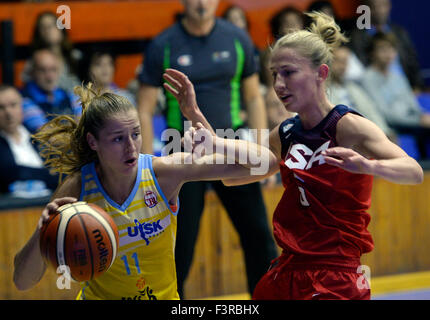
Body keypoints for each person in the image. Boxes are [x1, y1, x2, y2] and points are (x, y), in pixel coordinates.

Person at [164, 12, 424, 300]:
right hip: (287, 271)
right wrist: (198, 120)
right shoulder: (285, 132)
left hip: (335, 274)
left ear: (321, 73)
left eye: (288, 72)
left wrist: (368, 165)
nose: (278, 84)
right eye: (274, 74)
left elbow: (413, 171)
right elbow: (233, 175)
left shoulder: (348, 126)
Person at [12, 82, 277, 300]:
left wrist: (208, 131)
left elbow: (265, 165)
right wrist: (42, 230)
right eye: (118, 138)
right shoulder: (77, 188)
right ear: (93, 142)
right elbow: (23, 282)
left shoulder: (164, 173)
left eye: (135, 134)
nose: (131, 147)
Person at [137, 0, 277, 298]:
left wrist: (262, 153)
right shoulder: (163, 44)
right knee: (181, 243)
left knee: (259, 236)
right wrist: (145, 164)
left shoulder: (237, 38)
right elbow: (145, 110)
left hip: (231, 144)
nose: (201, 3)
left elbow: (253, 98)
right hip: (182, 149)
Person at [349, 0, 424, 91]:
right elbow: (361, 69)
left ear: (390, 6)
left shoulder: (400, 33)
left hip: (407, 89)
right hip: (378, 90)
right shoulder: (357, 38)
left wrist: (417, 87)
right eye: (375, 6)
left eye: (384, 5)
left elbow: (412, 63)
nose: (380, 10)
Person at [0, 85, 58, 195]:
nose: (8, 113)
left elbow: (60, 175)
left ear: (22, 107)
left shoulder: (38, 138)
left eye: (13, 105)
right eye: (1, 107)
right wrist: (48, 174)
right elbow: (10, 173)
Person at [329, 45, 393, 137]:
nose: (342, 66)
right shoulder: (323, 90)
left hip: (365, 133)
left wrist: (385, 132)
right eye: (338, 61)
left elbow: (371, 111)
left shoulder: (354, 88)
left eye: (345, 62)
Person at [21, 48, 81, 133]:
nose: (49, 77)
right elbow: (49, 137)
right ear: (32, 72)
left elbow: (83, 124)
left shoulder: (68, 94)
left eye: (53, 69)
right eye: (42, 70)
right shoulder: (24, 100)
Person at [21, 11, 81, 92]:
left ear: (61, 29)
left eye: (52, 25)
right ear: (38, 33)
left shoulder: (76, 57)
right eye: (43, 27)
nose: (48, 30)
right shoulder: (33, 62)